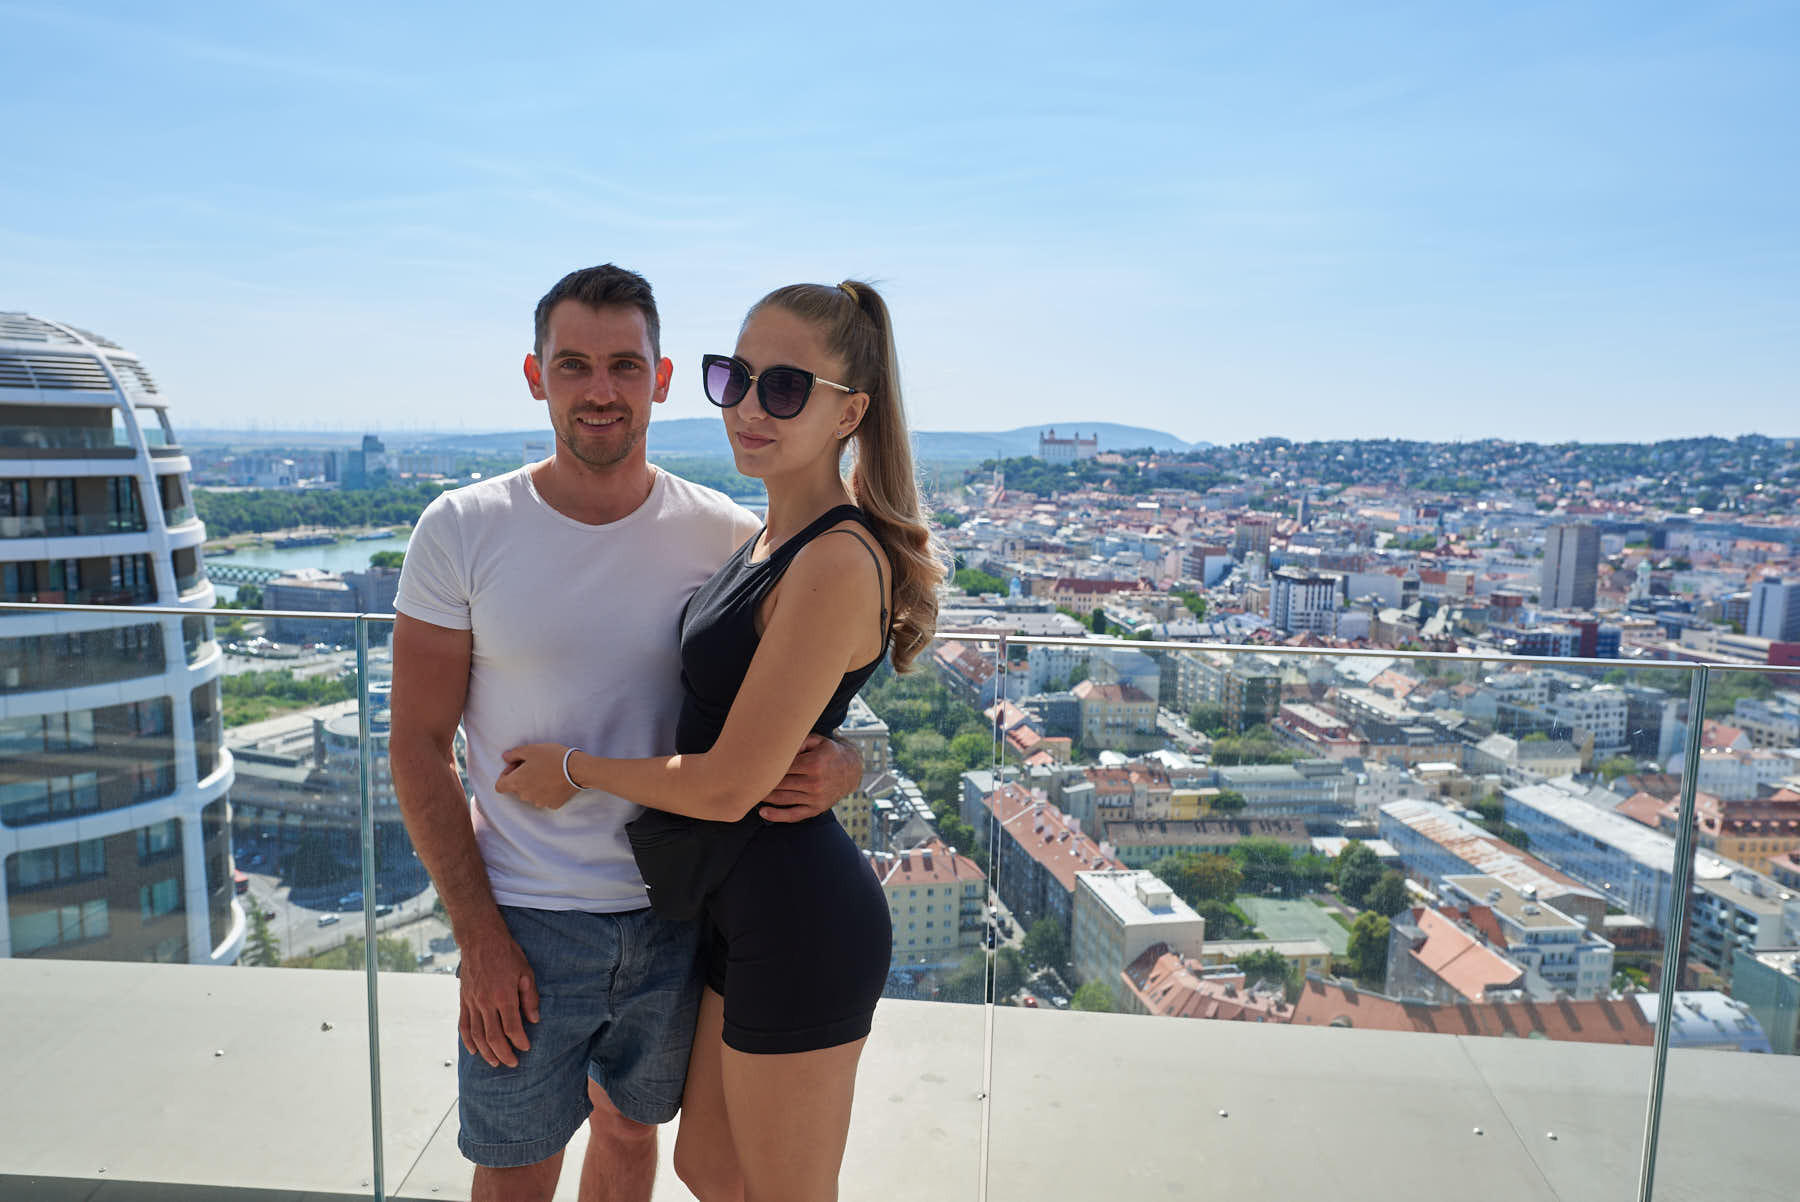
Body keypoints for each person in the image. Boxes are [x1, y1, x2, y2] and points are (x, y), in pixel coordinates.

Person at [389, 264, 865, 1202]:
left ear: (661, 376)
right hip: (526, 918)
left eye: (622, 365)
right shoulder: (461, 529)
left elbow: (820, 681)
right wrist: (478, 936)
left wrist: (850, 764)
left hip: (681, 914)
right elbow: (416, 746)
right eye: (573, 365)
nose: (599, 390)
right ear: (536, 376)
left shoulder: (728, 533)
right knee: (515, 1173)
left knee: (632, 1142)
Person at [495, 279, 944, 1202]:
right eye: (734, 378)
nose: (747, 406)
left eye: (784, 388)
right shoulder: (764, 539)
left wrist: (573, 771)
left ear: (849, 412)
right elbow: (788, 706)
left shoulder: (830, 557)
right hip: (736, 903)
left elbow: (733, 782)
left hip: (797, 913)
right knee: (708, 1166)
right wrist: (846, 752)